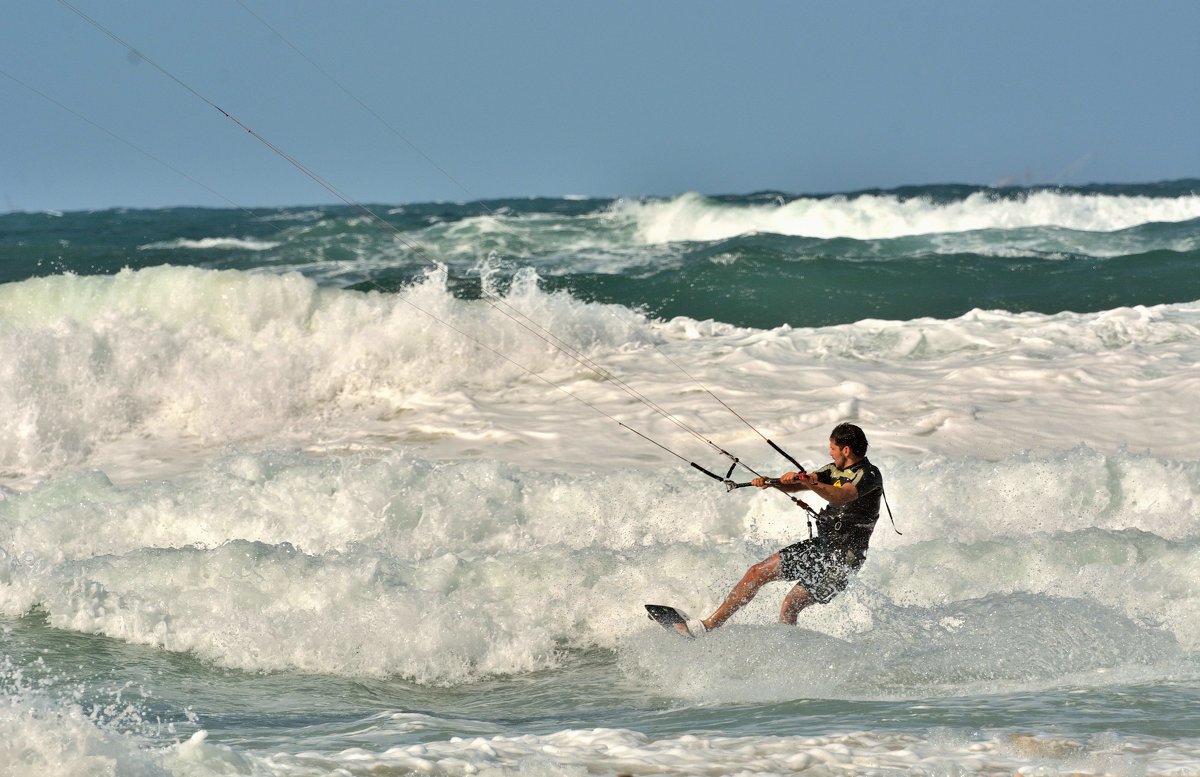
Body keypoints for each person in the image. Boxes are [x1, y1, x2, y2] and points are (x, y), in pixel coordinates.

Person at [699, 423, 884, 632]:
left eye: (832, 448)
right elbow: (802, 483)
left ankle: (787, 652)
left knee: (791, 605)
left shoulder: (869, 475)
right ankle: (708, 626)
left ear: (846, 450)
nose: (829, 453)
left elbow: (842, 496)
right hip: (822, 547)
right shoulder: (833, 469)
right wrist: (773, 482)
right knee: (756, 572)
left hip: (843, 560)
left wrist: (808, 482)